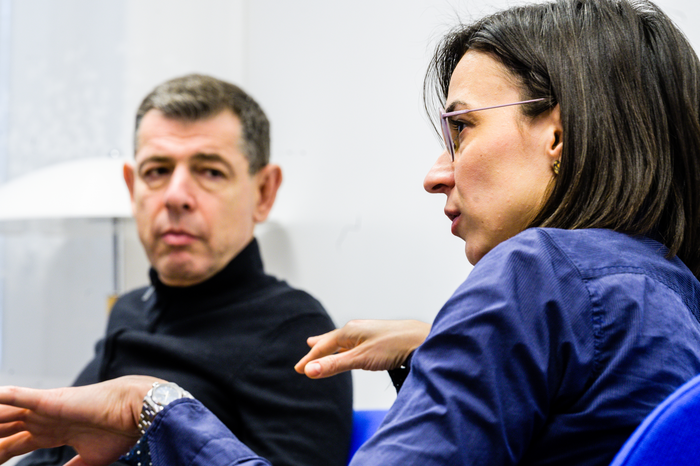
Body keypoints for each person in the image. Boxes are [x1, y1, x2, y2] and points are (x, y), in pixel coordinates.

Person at [1, 0, 700, 465]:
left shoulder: (535, 273)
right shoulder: (669, 292)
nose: (436, 173)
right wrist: (448, 340)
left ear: (560, 131)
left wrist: (154, 408)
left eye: (461, 127)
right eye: (156, 171)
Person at [9, 74, 353, 466]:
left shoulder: (295, 331)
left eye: (210, 171)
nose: (175, 196)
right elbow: (51, 449)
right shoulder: (130, 310)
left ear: (264, 192)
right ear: (131, 185)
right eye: (156, 171)